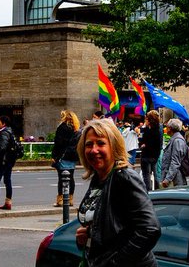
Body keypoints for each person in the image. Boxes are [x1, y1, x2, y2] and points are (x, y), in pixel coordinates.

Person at [74, 117, 160, 267]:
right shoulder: (99, 178)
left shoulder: (125, 177)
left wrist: (114, 264)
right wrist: (88, 235)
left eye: (101, 143)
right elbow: (114, 227)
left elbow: (149, 230)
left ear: (114, 146)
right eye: (89, 145)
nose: (94, 150)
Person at [51, 110, 80, 207]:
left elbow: (58, 143)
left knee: (61, 178)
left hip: (62, 155)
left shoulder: (62, 127)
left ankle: (61, 199)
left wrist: (54, 156)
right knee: (71, 177)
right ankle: (70, 199)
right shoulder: (75, 129)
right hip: (72, 156)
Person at [160, 117, 189, 188]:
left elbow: (175, 162)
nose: (165, 129)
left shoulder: (177, 141)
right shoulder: (174, 139)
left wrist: (167, 179)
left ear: (170, 128)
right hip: (173, 177)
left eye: (166, 127)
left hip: (175, 179)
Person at [138, 110, 162, 191]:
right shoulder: (158, 129)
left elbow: (142, 141)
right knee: (154, 174)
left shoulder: (148, 130)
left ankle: (148, 191)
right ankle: (157, 189)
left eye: (146, 119)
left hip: (147, 155)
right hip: (154, 156)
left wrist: (144, 145)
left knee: (146, 175)